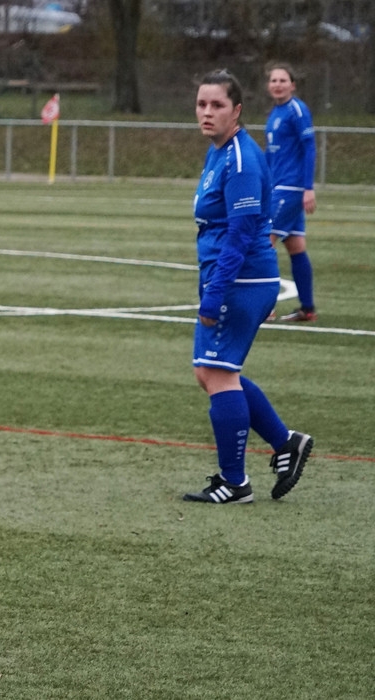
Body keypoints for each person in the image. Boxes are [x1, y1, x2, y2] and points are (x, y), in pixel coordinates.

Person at [183, 69, 313, 505]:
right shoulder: (219, 151)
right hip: (239, 279)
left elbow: (239, 236)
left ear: (236, 110)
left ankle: (234, 482)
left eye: (217, 105)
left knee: (217, 374)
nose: (207, 112)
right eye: (202, 104)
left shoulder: (240, 159)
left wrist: (215, 295)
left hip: (239, 279)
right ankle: (285, 442)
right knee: (212, 372)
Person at [264, 62, 318, 322]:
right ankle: (307, 309)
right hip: (279, 185)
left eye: (282, 80)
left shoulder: (297, 110)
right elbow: (271, 154)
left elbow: (310, 147)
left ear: (292, 85)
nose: (278, 85)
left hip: (291, 187)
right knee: (296, 246)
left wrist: (308, 188)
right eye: (274, 80)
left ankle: (265, 307)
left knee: (263, 242)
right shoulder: (275, 113)